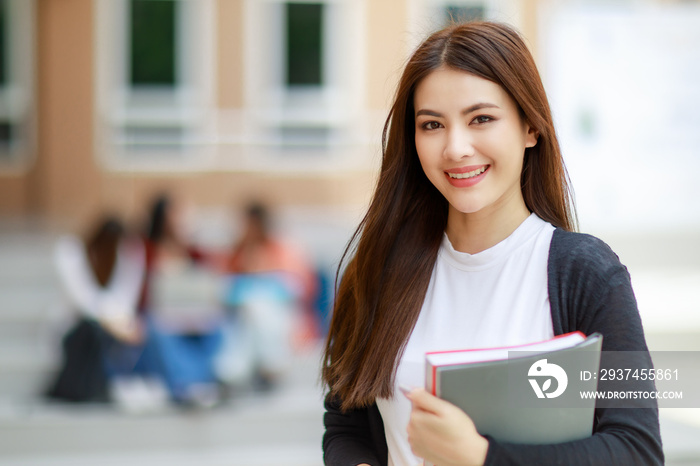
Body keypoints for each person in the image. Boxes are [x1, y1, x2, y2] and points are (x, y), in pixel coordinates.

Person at [321, 21, 663, 466]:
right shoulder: (377, 274)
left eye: (481, 118)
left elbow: (637, 450)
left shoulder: (587, 274)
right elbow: (347, 423)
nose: (456, 148)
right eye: (432, 125)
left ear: (530, 128)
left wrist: (482, 457)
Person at [48, 216, 145, 402]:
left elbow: (126, 296)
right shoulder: (71, 252)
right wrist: (113, 321)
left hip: (113, 328)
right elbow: (82, 300)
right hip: (75, 330)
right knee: (95, 332)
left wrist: (119, 323)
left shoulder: (124, 255)